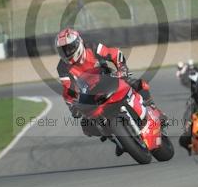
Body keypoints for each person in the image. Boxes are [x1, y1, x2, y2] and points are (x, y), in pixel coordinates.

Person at [55, 28, 160, 156]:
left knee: (137, 84)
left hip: (109, 79)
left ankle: (153, 108)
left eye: (69, 48)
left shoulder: (92, 47)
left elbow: (115, 53)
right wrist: (73, 106)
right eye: (63, 50)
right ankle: (118, 139)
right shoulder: (62, 67)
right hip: (89, 93)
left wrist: (122, 68)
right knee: (87, 125)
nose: (66, 53)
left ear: (78, 43)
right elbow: (68, 89)